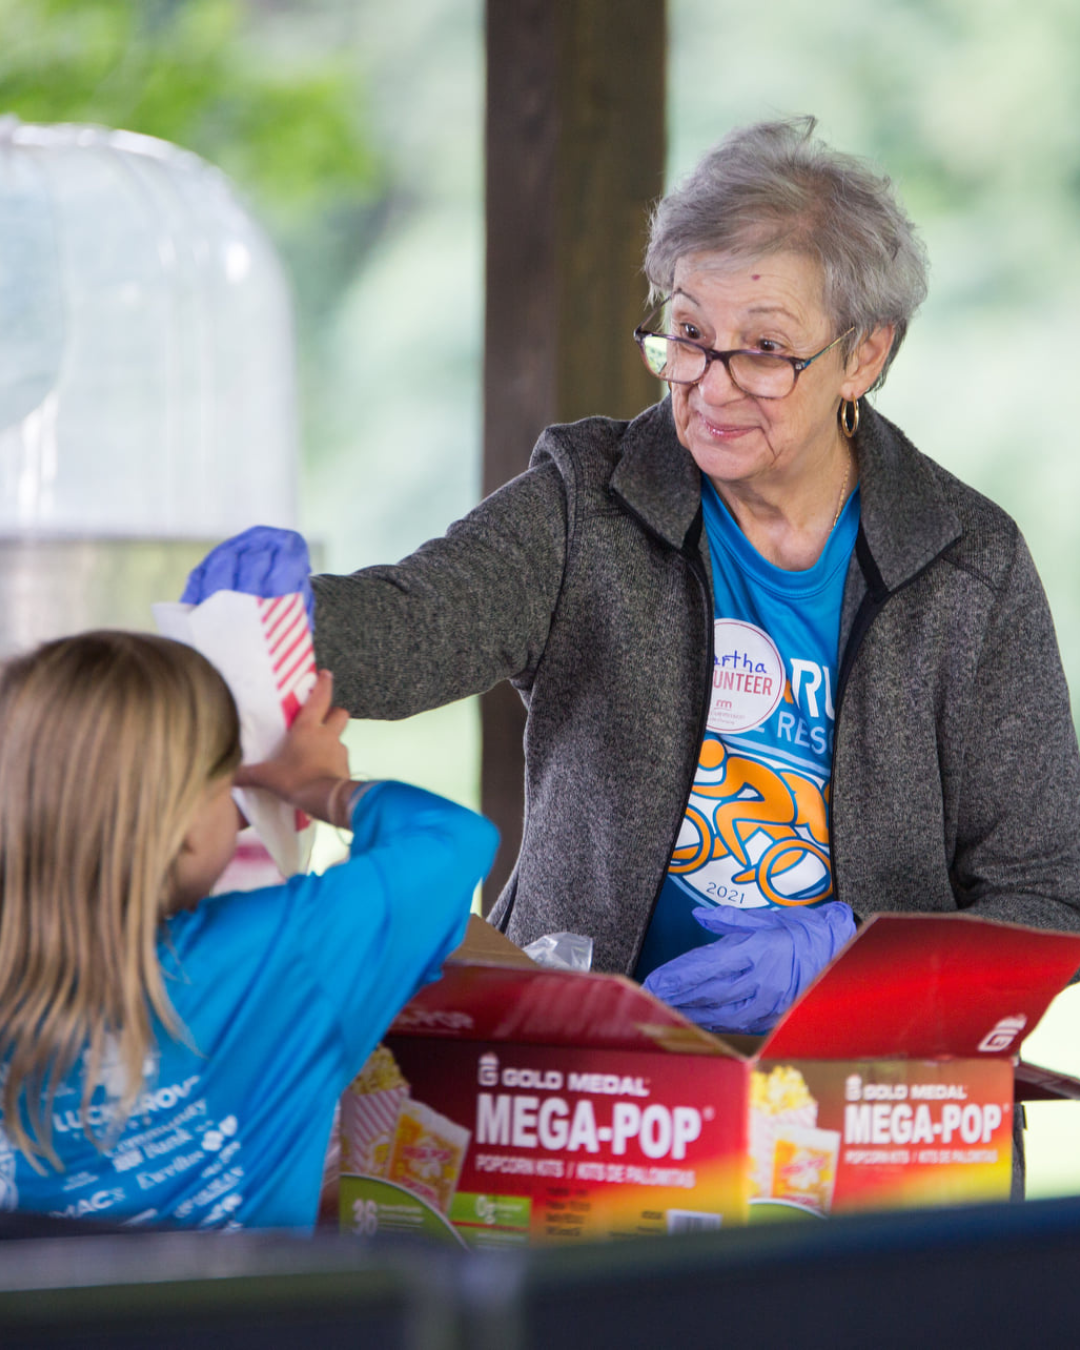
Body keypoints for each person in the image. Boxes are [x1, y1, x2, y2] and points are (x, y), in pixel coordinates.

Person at [184, 116, 1080, 1042]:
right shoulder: (588, 501)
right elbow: (414, 630)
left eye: (764, 349)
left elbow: (1050, 894)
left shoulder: (969, 566)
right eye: (689, 333)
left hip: (865, 1089)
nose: (711, 386)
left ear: (864, 355)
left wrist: (851, 953)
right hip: (585, 1064)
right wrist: (282, 621)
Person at [0, 631, 497, 1230]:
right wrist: (321, 789)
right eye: (226, 788)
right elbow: (454, 841)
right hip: (246, 1297)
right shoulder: (284, 955)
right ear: (185, 824)